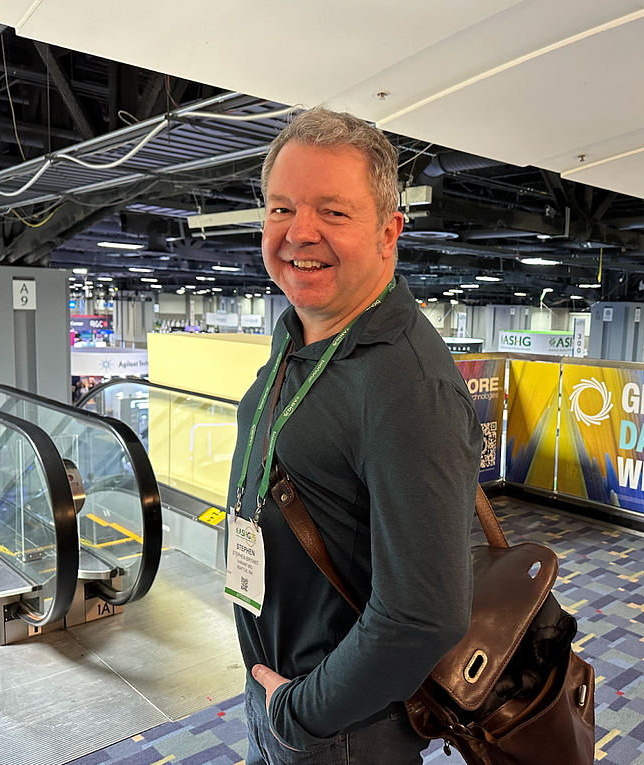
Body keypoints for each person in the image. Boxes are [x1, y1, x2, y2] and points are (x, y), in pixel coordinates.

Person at [225, 107, 483, 764]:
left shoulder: (407, 383)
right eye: (281, 208)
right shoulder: (300, 332)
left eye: (332, 213)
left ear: (388, 233)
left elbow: (424, 611)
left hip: (339, 729)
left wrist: (299, 711)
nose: (298, 231)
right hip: (280, 697)